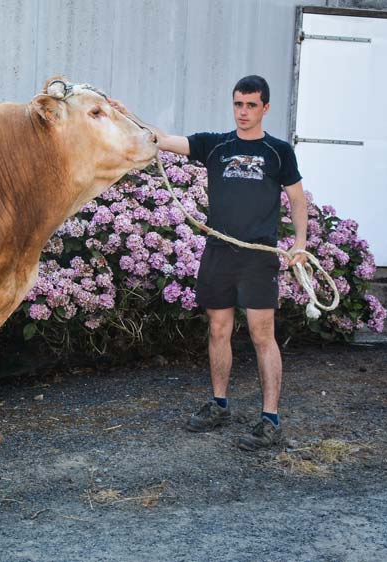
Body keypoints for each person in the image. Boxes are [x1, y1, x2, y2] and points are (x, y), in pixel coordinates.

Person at [111, 75, 308, 450]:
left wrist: (299, 243)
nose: (243, 112)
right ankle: (219, 405)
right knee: (218, 328)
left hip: (259, 254)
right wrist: (127, 116)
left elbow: (297, 200)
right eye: (238, 104)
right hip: (219, 251)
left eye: (251, 105)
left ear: (265, 107)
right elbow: (162, 139)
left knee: (261, 335)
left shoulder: (279, 151)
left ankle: (270, 420)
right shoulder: (215, 145)